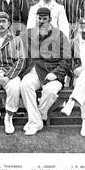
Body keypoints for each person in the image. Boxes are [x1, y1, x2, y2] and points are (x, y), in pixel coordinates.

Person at [19, 7, 71, 135]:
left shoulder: (59, 35)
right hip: (34, 71)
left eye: (44, 19)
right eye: (39, 18)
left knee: (51, 91)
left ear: (50, 20)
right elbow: (20, 56)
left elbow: (67, 60)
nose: (41, 21)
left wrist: (56, 73)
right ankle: (36, 121)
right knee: (25, 85)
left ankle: (36, 118)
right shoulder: (28, 34)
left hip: (53, 73)